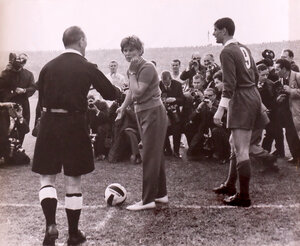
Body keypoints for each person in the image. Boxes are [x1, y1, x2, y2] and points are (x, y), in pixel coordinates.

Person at [32, 26, 118, 246]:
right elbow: (109, 92)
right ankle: (73, 234)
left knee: (47, 179)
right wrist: (125, 94)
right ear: (81, 41)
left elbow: (41, 101)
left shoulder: (48, 67)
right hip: (74, 124)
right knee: (73, 182)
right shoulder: (87, 66)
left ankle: (50, 225)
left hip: (49, 123)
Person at [212, 17, 265, 207]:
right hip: (252, 94)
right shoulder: (244, 48)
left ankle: (244, 196)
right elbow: (256, 75)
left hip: (242, 98)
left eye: (216, 30)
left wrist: (220, 110)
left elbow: (230, 84)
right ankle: (229, 185)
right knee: (233, 142)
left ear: (224, 31)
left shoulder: (227, 51)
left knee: (242, 149)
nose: (214, 33)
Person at [116, 35, 168, 211]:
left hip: (152, 112)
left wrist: (131, 72)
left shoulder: (146, 67)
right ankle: (161, 194)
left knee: (149, 155)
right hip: (144, 112)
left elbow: (137, 92)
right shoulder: (135, 68)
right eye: (125, 50)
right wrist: (123, 108)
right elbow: (132, 92)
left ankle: (147, 200)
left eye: (132, 49)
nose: (128, 53)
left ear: (140, 50)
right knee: (155, 155)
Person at [0, 53, 36, 145]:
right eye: (20, 59)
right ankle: (6, 152)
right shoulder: (6, 73)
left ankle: (18, 150)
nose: (22, 62)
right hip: (7, 105)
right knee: (5, 129)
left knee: (22, 128)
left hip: (23, 105)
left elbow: (33, 88)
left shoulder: (29, 74)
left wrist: (24, 90)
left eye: (24, 60)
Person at [274, 59, 300, 164]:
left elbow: (291, 92)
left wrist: (291, 91)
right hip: (288, 113)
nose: (275, 72)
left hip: (297, 112)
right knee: (290, 135)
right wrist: (279, 98)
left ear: (284, 69)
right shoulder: (281, 80)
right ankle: (296, 156)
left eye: (277, 69)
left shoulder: (297, 76)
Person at [160, 70, 185, 158]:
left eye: (166, 82)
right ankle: (168, 149)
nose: (165, 84)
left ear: (170, 79)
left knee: (176, 130)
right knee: (162, 130)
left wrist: (174, 99)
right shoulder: (159, 85)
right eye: (163, 82)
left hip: (174, 112)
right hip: (163, 111)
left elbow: (182, 99)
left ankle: (176, 151)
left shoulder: (177, 84)